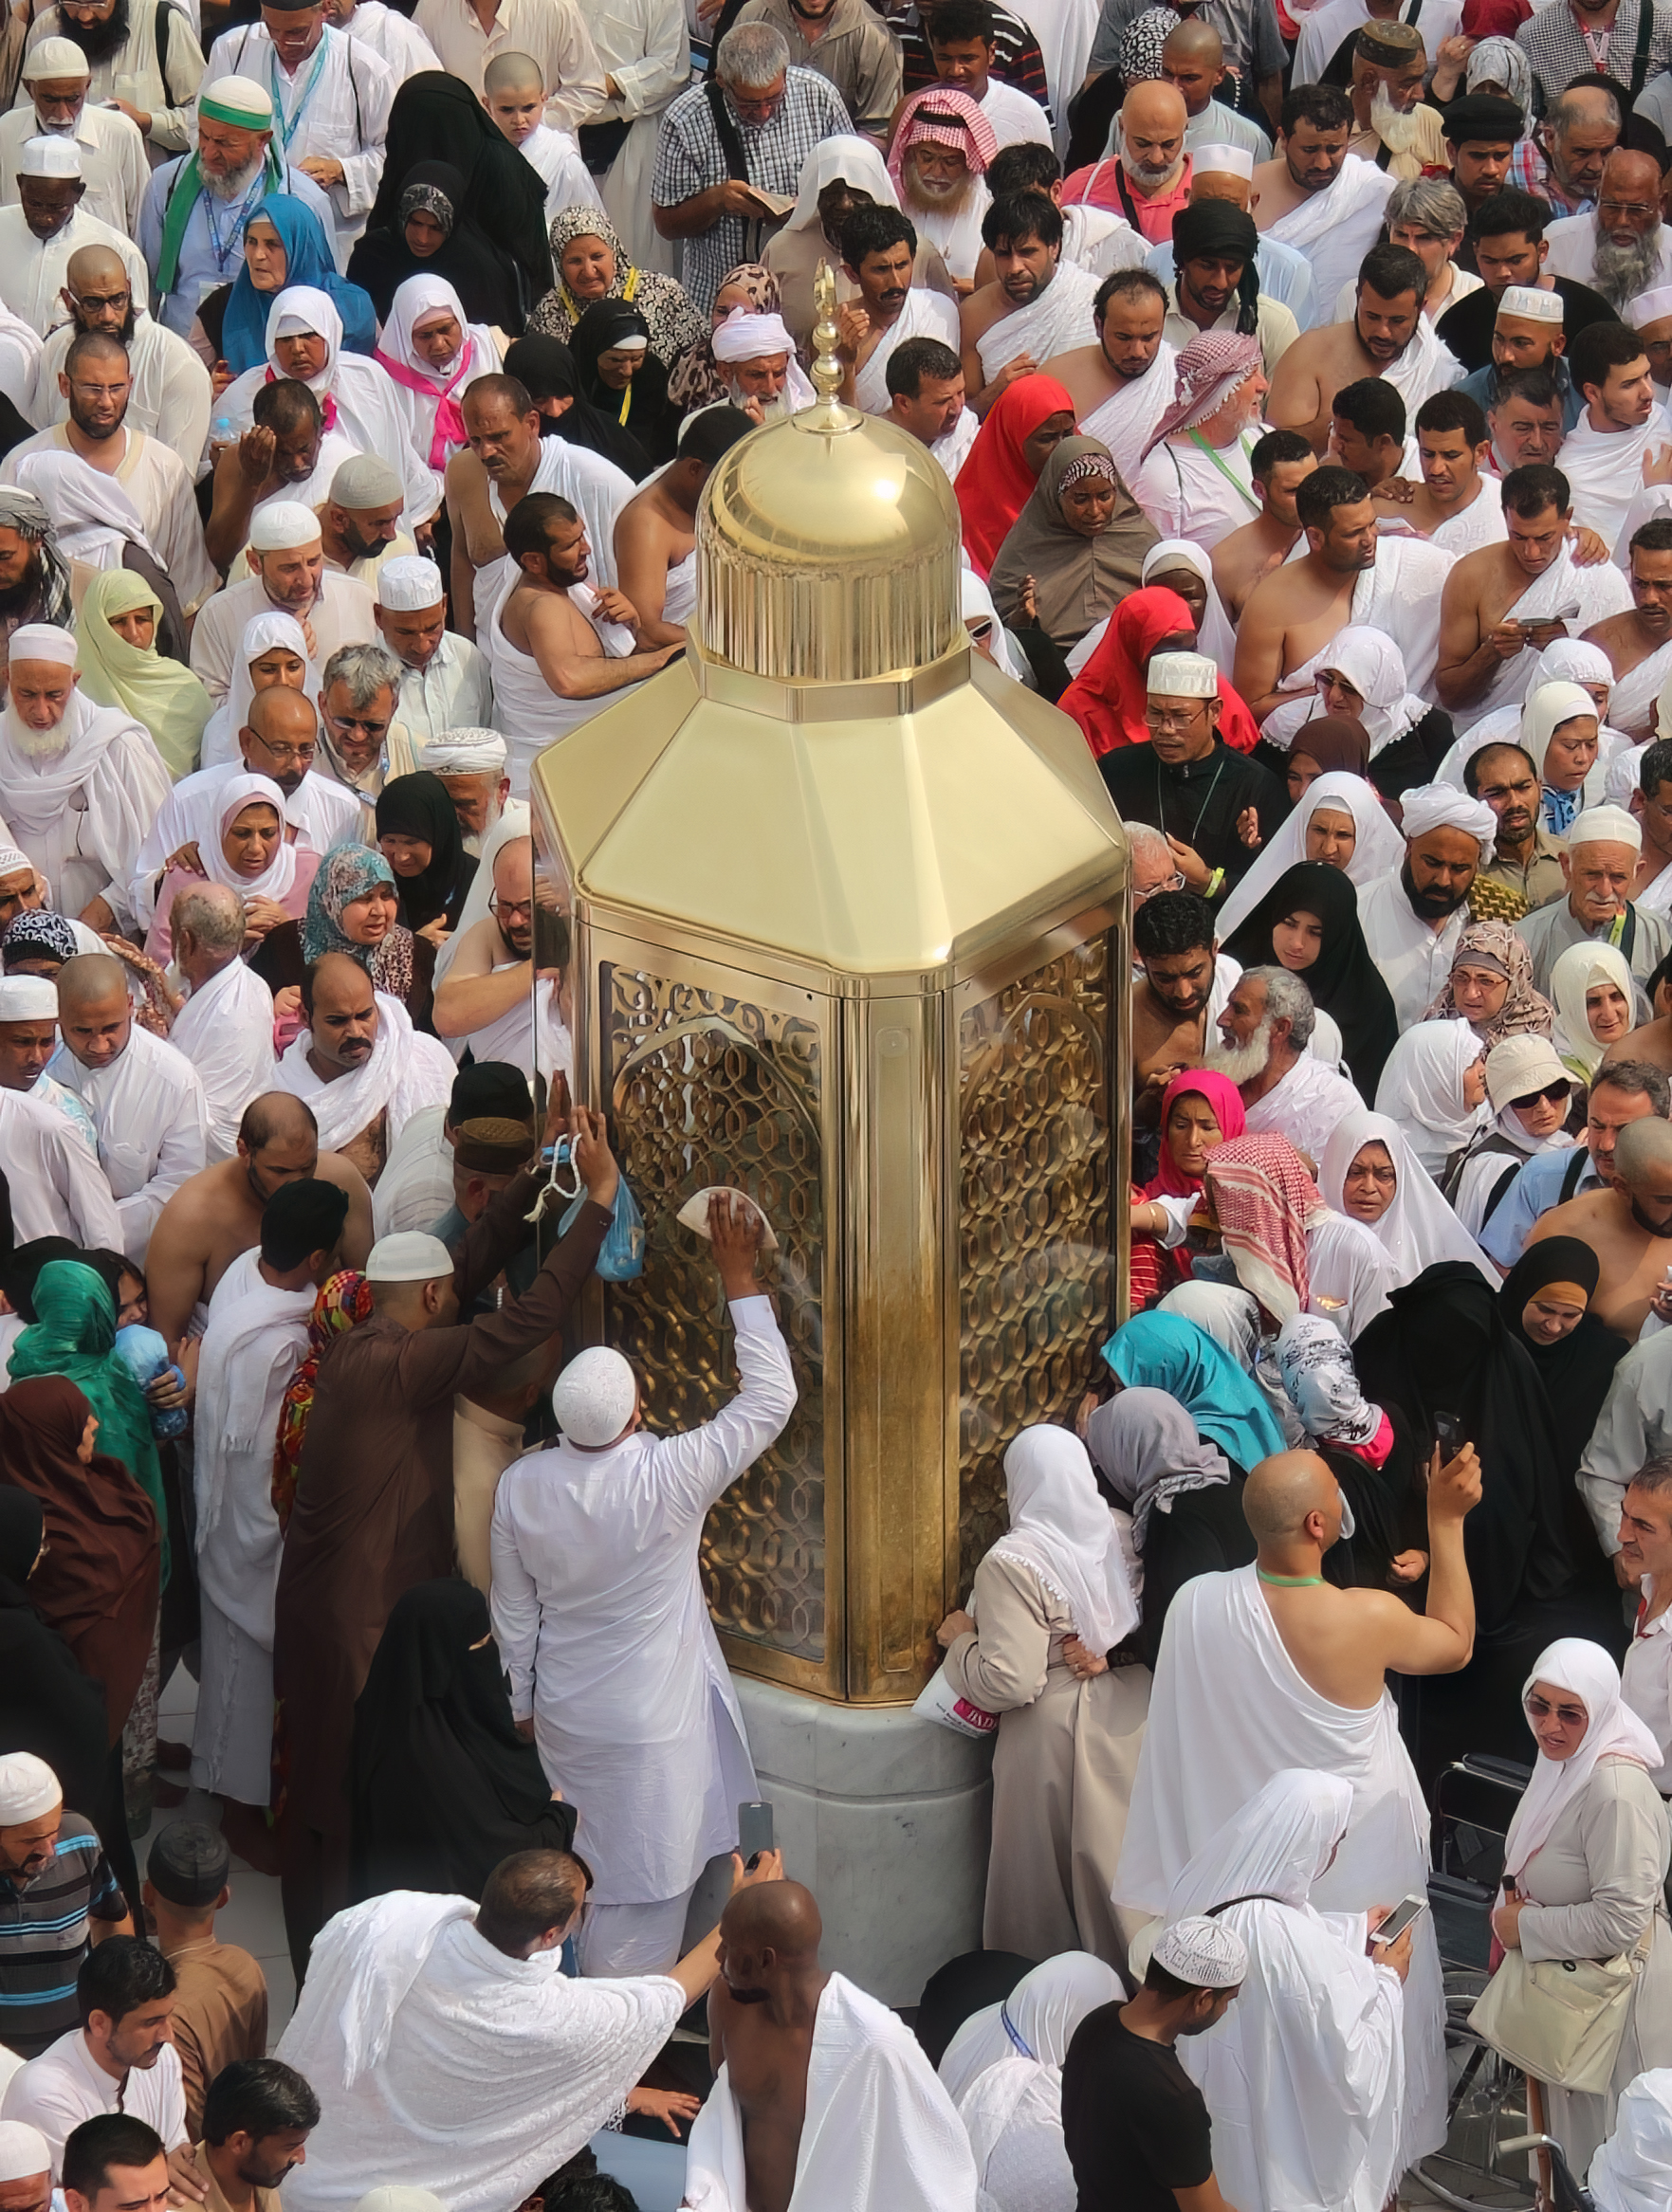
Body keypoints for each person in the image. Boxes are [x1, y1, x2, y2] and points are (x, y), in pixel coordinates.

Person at [271, 1108, 617, 1976]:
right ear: (429, 1302)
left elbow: (463, 1265)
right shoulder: (402, 1363)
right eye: (446, 1296)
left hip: (322, 1605)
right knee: (354, 1794)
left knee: (324, 1788)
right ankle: (351, 1961)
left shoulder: (367, 1339)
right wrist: (600, 1203)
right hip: (358, 1621)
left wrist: (544, 1176)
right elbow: (530, 1316)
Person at [1116, 1445, 1479, 2171]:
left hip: (1240, 1884)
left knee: (1256, 2046)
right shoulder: (1364, 1617)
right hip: (1359, 1880)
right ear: (1320, 1522)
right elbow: (1455, 1642)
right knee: (1368, 2012)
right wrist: (1444, 1520)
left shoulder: (1195, 1603)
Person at [490, 1195, 794, 1978]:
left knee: (576, 1870)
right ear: (637, 1415)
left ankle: (566, 2014)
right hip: (649, 1730)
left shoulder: (522, 1483)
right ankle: (613, 2056)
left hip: (565, 1712)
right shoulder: (666, 1474)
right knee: (641, 1896)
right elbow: (770, 1399)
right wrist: (738, 1277)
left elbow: (514, 1610)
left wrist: (520, 1702)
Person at [275, 1847, 782, 2212]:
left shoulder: (388, 1922)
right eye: (580, 1908)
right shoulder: (549, 2017)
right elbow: (673, 1993)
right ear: (551, 1934)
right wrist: (741, 1910)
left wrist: (623, 2098)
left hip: (307, 2167)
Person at [934, 1425, 1143, 1968]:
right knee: (1111, 1865)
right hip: (1120, 1711)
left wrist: (960, 1644)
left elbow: (1010, 1680)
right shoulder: (1118, 1530)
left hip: (1047, 1732)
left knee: (1042, 1890)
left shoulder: (1013, 1562)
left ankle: (1048, 1997)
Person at [1155, 1769, 1409, 2212]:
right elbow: (1346, 2051)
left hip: (1213, 2103)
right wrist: (1388, 1979)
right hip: (1272, 2127)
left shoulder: (1205, 1886)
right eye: (1333, 1841)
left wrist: (1353, 1930)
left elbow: (1293, 1947)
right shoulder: (1276, 1930)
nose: (1331, 1854)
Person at [191, 1179, 350, 1840]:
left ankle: (225, 1779)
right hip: (251, 1521)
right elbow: (258, 1449)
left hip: (221, 1510)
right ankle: (236, 1809)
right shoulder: (279, 1340)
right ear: (317, 1256)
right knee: (244, 1675)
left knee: (233, 1666)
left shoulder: (240, 1285)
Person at [1485, 1641, 1672, 2171]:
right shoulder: (1566, 1766)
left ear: (1602, 1710)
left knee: (1610, 2168)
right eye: (1539, 1707)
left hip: (1617, 2006)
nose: (1550, 1726)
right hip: (1576, 1997)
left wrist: (1524, 1925)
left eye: (1571, 1713)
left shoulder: (1614, 1788)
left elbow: (1622, 1919)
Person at [684, 1879, 977, 2212]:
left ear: (766, 1960)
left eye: (728, 1946)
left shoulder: (877, 2043)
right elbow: (723, 2113)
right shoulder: (727, 2002)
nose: (718, 1958)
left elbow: (936, 2162)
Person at [347, 1579, 573, 1905]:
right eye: (478, 1645)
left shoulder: (388, 1713)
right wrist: (557, 1820)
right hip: (445, 1928)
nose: (488, 1654)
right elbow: (491, 1854)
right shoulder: (430, 1755)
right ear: (441, 1656)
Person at [0, 1380, 159, 1760]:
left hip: (99, 1700)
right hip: (64, 1720)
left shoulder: (98, 1482)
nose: (95, 1425)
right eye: (81, 1418)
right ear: (50, 1436)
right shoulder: (23, 1528)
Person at [651, 25, 847, 316]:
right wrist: (717, 200)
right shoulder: (685, 119)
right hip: (722, 297)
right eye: (749, 104)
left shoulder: (819, 97)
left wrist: (806, 208)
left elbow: (854, 187)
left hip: (806, 292)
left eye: (774, 99)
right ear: (721, 81)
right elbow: (666, 223)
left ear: (785, 73)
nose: (765, 112)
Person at [1232, 467, 1454, 721]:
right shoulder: (1271, 605)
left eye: (1372, 525)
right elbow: (1249, 709)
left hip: (1397, 747)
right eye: (1353, 533)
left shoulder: (1403, 563)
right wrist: (1331, 692)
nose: (1370, 539)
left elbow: (1465, 579)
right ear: (1315, 537)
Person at [1059, 1917, 1246, 2212]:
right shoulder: (1174, 2098)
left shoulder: (1095, 2023)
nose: (1225, 2010)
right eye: (1228, 2000)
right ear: (1204, 1999)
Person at [0, 622, 171, 924]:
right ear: (6, 679)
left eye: (54, 695)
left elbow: (158, 854)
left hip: (106, 933)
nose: (41, 711)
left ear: (75, 682)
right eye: (27, 694)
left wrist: (109, 907)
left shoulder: (117, 746)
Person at [197, 6, 395, 266]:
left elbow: (392, 157)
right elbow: (198, 128)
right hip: (242, 236)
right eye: (272, 29)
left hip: (328, 237)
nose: (282, 42)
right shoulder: (233, 49)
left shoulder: (363, 68)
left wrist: (342, 170)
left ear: (323, 11)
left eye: (296, 32)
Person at [46, 954, 206, 1262]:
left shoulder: (174, 1079)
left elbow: (177, 1185)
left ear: (130, 1006)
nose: (99, 1045)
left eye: (110, 1028)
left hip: (138, 1257)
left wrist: (96, 1232)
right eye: (82, 1031)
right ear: (59, 1017)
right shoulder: (40, 1064)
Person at [1083, 1386, 1255, 1668]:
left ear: (1131, 1449)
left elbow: (1197, 1618)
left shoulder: (1177, 1513)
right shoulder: (1220, 1477)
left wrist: (1117, 1654)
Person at [1095, 650, 1285, 900]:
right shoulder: (1117, 770)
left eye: (1180, 717)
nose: (1166, 729)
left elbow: (1275, 887)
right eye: (1155, 714)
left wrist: (1209, 881)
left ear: (1214, 712)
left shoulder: (1256, 786)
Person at [1, 1940, 185, 2173]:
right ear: (99, 2024)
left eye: (168, 2017)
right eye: (150, 2023)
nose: (167, 2035)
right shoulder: (44, 2094)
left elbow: (179, 2158)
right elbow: (101, 2197)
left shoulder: (163, 2060)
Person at [28, 247, 211, 480]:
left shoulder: (178, 365)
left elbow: (177, 479)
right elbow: (39, 441)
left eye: (117, 300)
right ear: (68, 300)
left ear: (129, 289)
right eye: (93, 303)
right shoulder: (57, 347)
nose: (108, 316)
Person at [1221, 863, 1397, 1100]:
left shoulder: (1367, 1007)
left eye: (1316, 932)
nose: (1296, 943)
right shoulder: (1231, 973)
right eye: (1289, 924)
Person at [271, 948, 454, 1176]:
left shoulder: (423, 1057)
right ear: (306, 1018)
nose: (355, 1032)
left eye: (364, 1015)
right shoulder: (281, 1094)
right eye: (337, 1021)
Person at [0, 1755, 131, 2065]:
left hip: (74, 2053)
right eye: (31, 1839)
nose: (50, 1850)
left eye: (53, 1832)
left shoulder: (80, 1839)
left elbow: (112, 1921)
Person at [1483, 1057, 1669, 1271]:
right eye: (1597, 1126)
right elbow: (1501, 1265)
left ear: (1663, 1126)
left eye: (1623, 1131)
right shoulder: (1539, 1178)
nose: (1606, 1144)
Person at [141, 1828, 266, 2141]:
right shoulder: (246, 1966)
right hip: (247, 2137)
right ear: (223, 1897)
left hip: (206, 2163)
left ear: (147, 1894)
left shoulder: (163, 2008)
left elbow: (190, 2123)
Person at [985, 437, 1154, 650]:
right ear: (1056, 496)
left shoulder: (1140, 539)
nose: (1094, 511)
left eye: (1104, 496)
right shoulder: (1025, 549)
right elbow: (1002, 629)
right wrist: (1022, 619)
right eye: (1080, 499)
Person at [1355, 784, 1496, 1030]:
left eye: (1459, 868)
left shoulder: (1497, 915)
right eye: (1432, 863)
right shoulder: (1358, 911)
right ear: (1409, 848)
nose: (1443, 880)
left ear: (1478, 865)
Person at [962, 194, 1102, 420]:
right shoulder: (973, 314)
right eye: (1004, 254)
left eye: (1027, 252)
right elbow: (966, 414)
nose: (1015, 267)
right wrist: (997, 390)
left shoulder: (1093, 297)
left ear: (1054, 247)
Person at [1128, 329, 1269, 554]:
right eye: (1250, 375)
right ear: (1217, 390)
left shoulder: (1265, 436)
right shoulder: (1166, 474)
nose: (1264, 386)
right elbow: (1159, 562)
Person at [1207, 962, 1366, 1159]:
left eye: (1238, 1010)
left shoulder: (1333, 1101)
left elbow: (1342, 1181)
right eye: (1228, 1006)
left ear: (1281, 1028)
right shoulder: (1214, 1083)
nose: (1222, 1019)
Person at [0, 138, 149, 340]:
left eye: (56, 207)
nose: (45, 217)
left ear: (78, 193)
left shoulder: (117, 250)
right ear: (19, 185)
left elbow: (136, 335)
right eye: (34, 203)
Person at [70, 574, 211, 787]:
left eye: (142, 620)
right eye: (118, 621)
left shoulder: (184, 686)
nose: (133, 633)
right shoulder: (73, 687)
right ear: (97, 624)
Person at [1519, 804, 1671, 996]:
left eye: (1618, 877)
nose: (1604, 890)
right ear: (1567, 866)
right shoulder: (1526, 938)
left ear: (1637, 872)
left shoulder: (1661, 936)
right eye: (1592, 875)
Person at [1445, 1032, 1577, 1237]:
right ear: (1504, 1106)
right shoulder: (1495, 1168)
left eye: (1555, 1090)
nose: (1543, 1107)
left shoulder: (1567, 1144)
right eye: (1525, 1098)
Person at [953, 371, 1075, 575]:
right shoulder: (971, 517)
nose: (1063, 449)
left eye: (1068, 434)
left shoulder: (1088, 485)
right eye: (1048, 438)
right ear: (1014, 440)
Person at [180, 2061, 318, 2212]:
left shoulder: (260, 2178)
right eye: (290, 2147)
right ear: (239, 2143)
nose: (301, 2158)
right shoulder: (172, 2205)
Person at [1586, 521, 1672, 741]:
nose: (1649, 598)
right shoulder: (1599, 644)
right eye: (1640, 584)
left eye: (1664, 586)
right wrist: (1655, 728)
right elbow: (1570, 734)